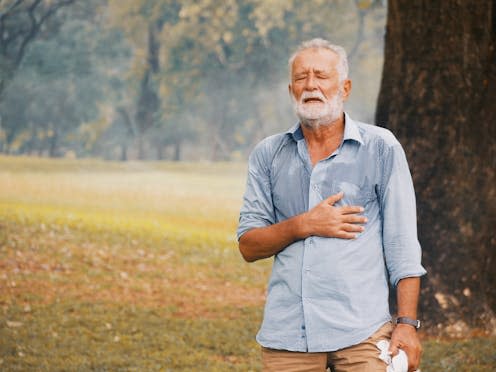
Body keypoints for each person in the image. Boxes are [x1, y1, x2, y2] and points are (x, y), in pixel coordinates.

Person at [237, 38, 427, 372]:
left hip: (362, 332)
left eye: (321, 76)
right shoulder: (268, 154)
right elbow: (249, 246)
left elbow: (402, 246)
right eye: (301, 77)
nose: (311, 84)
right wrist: (304, 224)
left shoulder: (381, 148)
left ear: (345, 87)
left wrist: (407, 324)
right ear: (291, 89)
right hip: (289, 335)